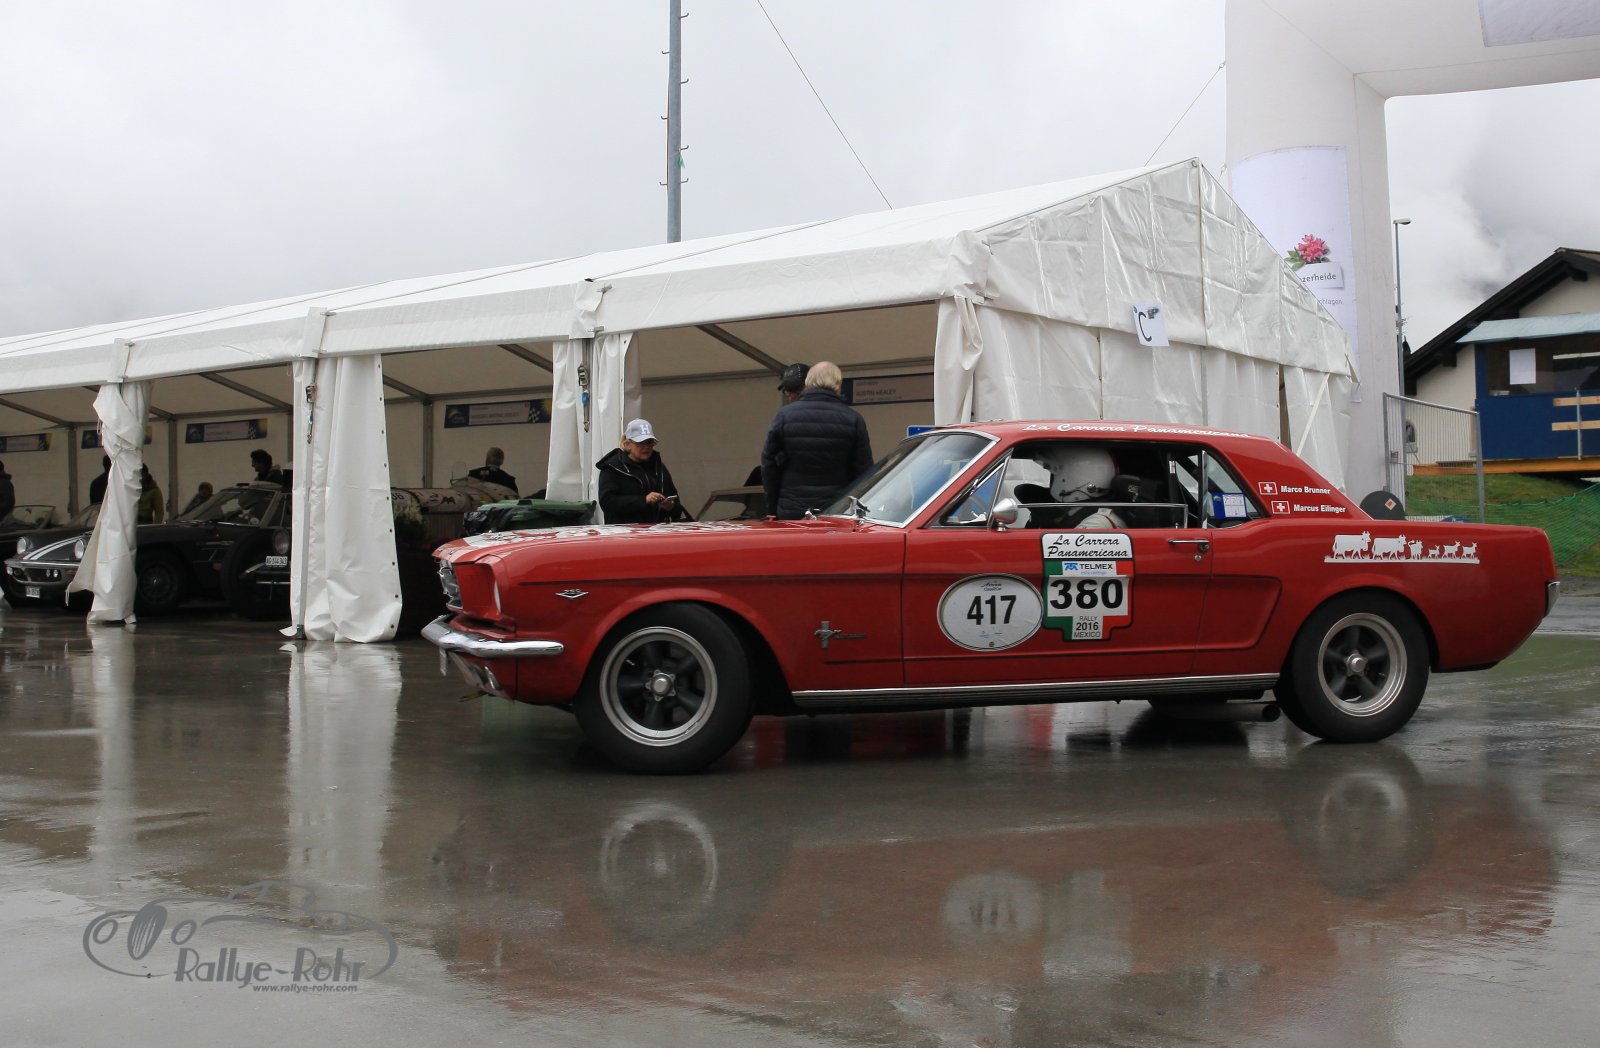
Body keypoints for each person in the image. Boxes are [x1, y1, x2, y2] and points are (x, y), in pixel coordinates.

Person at [760, 361, 873, 520]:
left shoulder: (784, 416)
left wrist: (772, 507)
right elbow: (864, 471)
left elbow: (769, 466)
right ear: (838, 386)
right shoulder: (853, 419)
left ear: (808, 383)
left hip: (792, 509)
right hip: (837, 510)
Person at [596, 419, 680, 525]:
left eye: (649, 442)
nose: (646, 447)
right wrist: (644, 500)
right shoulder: (612, 467)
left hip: (657, 530)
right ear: (628, 444)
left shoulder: (658, 466)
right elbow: (607, 502)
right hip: (623, 532)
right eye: (640, 443)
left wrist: (670, 506)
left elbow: (675, 501)